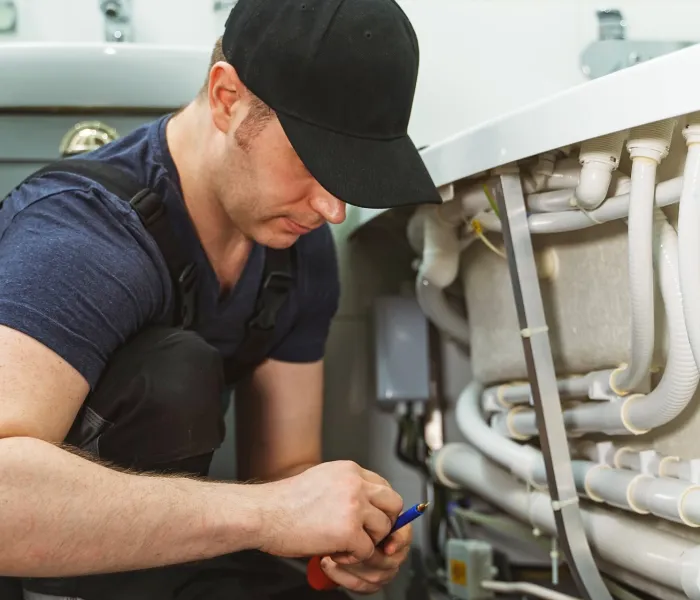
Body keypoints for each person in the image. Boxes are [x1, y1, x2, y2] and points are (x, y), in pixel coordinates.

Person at [0, 0, 441, 598]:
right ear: (227, 97)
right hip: (39, 568)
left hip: (171, 565)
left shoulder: (294, 246)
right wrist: (270, 513)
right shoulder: (82, 237)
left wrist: (343, 529)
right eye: (315, 161)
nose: (333, 208)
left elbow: (284, 471)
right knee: (175, 369)